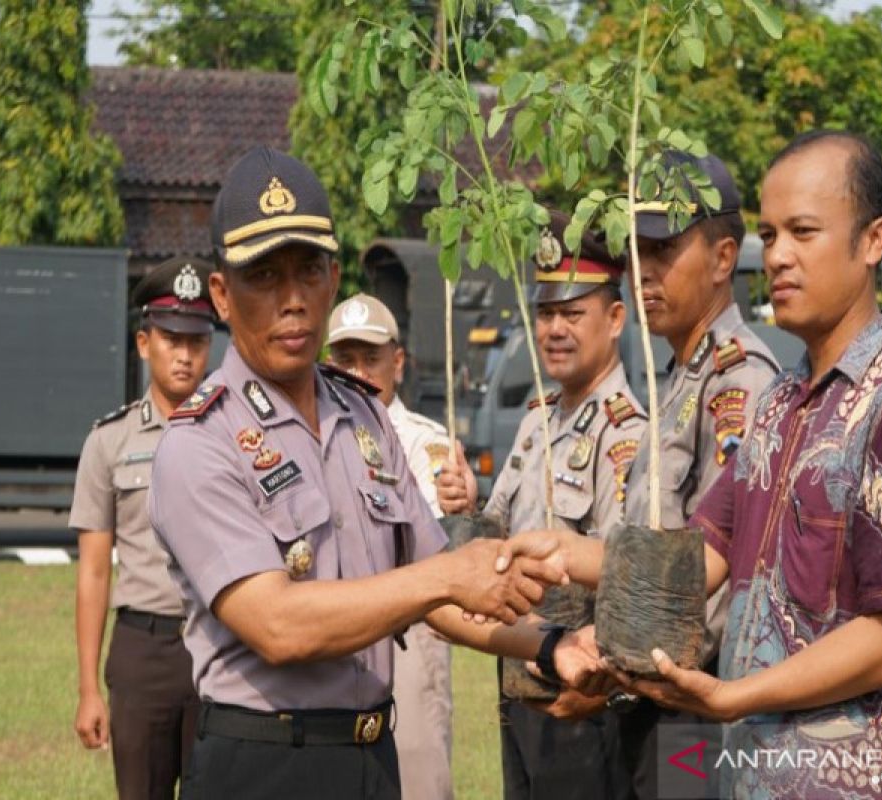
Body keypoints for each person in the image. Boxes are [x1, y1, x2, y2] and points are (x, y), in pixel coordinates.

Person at [506, 131, 882, 797]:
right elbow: (700, 558)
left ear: (873, 241)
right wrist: (561, 551)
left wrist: (733, 695)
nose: (778, 256)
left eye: (803, 232)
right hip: (754, 771)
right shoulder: (783, 405)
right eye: (771, 234)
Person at [147, 145, 580, 800]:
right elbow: (279, 626)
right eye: (264, 276)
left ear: (334, 277)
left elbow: (444, 601)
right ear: (222, 296)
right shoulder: (199, 443)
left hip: (373, 759)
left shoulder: (363, 415)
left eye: (309, 271)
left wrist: (551, 646)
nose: (292, 301)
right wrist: (447, 576)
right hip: (263, 765)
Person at [437, 211, 644, 800]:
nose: (555, 329)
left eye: (572, 313)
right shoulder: (537, 423)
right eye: (547, 312)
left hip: (582, 702)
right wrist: (467, 505)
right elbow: (497, 531)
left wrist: (593, 682)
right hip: (520, 688)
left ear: (615, 318)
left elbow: (627, 578)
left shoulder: (625, 435)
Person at [611, 150, 779, 800]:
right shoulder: (682, 373)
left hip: (692, 697)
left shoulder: (737, 379)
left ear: (722, 258)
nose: (643, 273)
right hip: (651, 690)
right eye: (636, 253)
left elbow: (725, 556)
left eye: (664, 250)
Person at [70, 256, 216, 799]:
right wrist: (88, 688)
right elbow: (92, 574)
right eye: (171, 338)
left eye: (196, 341)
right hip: (142, 650)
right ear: (143, 344)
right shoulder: (109, 442)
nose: (184, 354)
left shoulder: (233, 436)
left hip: (217, 644)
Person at [326, 293, 455, 800]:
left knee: (419, 770)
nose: (357, 371)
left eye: (370, 358)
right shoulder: (316, 435)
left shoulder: (424, 442)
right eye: (344, 358)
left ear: (397, 363)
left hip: (412, 631)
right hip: (337, 629)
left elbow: (430, 548)